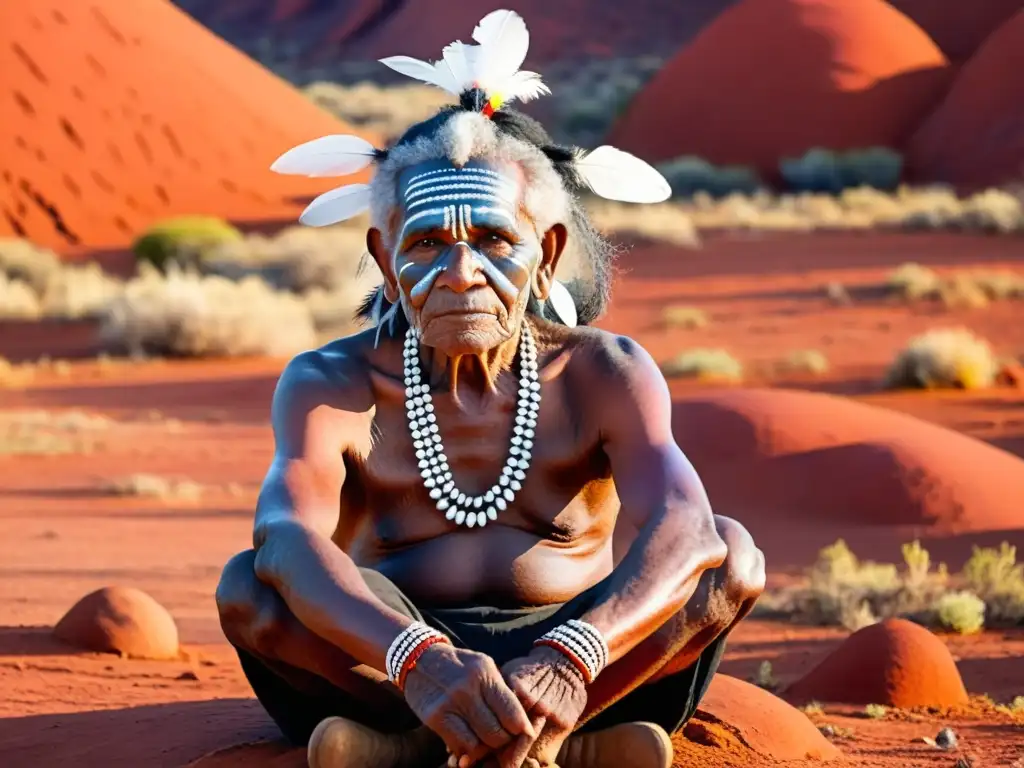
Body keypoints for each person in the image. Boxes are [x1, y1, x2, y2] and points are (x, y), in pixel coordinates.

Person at [215, 10, 765, 768]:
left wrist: (573, 660)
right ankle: (485, 742)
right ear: (384, 259)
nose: (461, 273)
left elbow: (687, 526)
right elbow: (287, 539)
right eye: (427, 244)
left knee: (733, 558)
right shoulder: (332, 383)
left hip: (584, 663)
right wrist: (420, 661)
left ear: (548, 256)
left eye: (496, 241)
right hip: (389, 663)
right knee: (250, 587)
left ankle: (468, 745)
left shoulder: (604, 372)